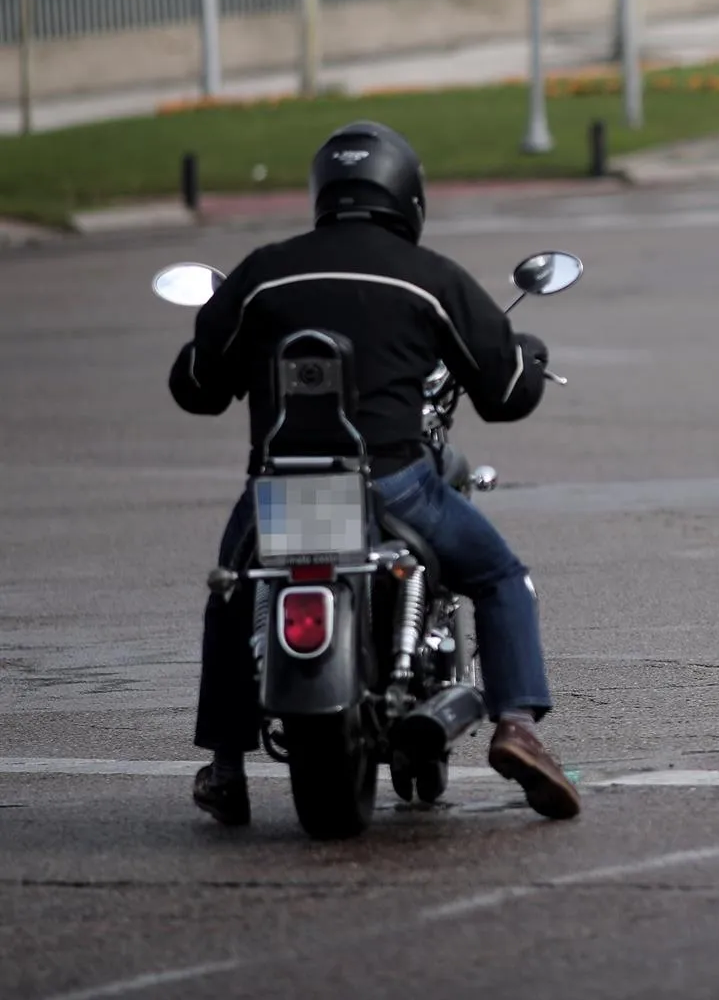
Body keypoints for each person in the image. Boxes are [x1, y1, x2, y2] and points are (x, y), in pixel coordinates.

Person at [169, 121, 583, 823]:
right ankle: (518, 725)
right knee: (499, 573)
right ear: (407, 196)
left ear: (322, 194)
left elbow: (196, 387)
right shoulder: (430, 277)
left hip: (283, 490)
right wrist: (530, 356)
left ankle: (227, 765)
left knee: (235, 593)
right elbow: (506, 392)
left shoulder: (264, 270)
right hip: (396, 484)